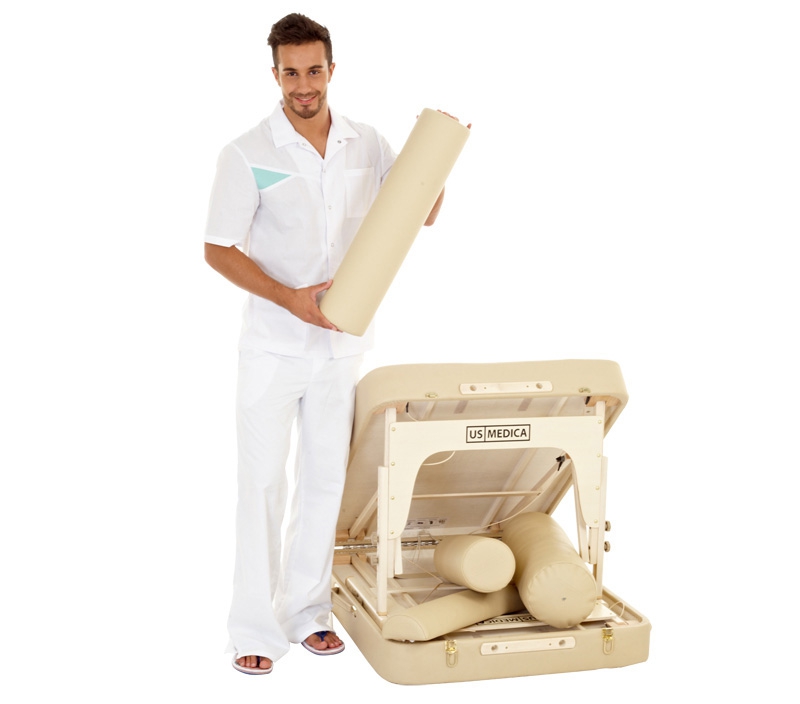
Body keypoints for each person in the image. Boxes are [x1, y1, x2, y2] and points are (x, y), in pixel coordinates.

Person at [204, 13, 460, 676]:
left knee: (324, 484)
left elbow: (423, 210)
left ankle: (309, 614)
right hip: (272, 349)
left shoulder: (366, 143)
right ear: (275, 75)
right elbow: (218, 249)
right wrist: (288, 297)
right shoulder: (247, 153)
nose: (304, 84)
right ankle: (253, 628)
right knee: (263, 485)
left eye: (314, 70)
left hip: (341, 348)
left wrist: (439, 154)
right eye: (291, 72)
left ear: (331, 70)